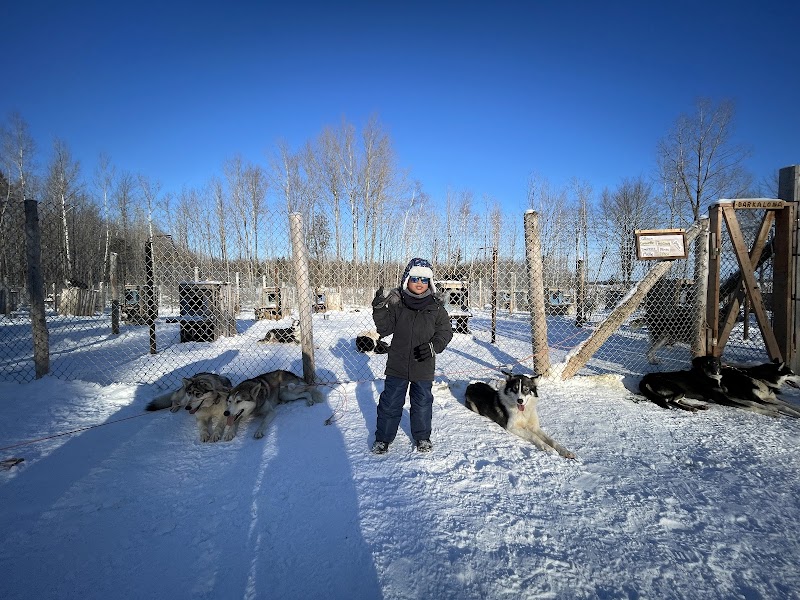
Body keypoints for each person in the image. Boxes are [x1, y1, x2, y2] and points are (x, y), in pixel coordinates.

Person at [370, 257, 454, 454]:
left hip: (423, 365)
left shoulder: (436, 308)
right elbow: (385, 329)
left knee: (422, 403)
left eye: (424, 280)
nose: (419, 283)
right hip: (397, 365)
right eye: (415, 278)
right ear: (406, 279)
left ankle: (422, 437)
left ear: (430, 283)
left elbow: (445, 332)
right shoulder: (398, 305)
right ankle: (383, 438)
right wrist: (380, 309)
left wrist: (434, 346)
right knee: (390, 402)